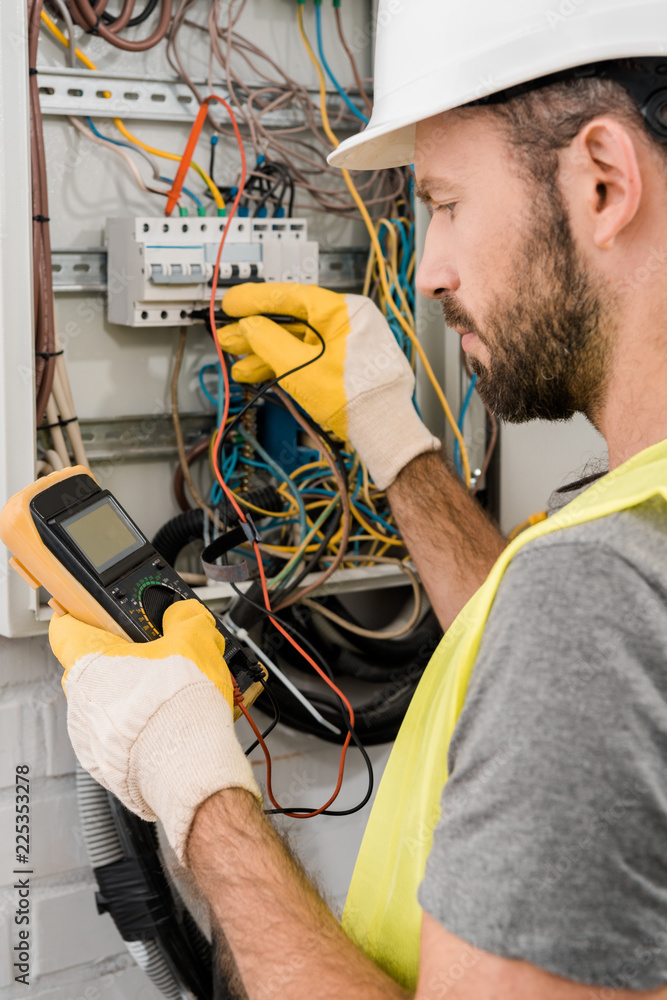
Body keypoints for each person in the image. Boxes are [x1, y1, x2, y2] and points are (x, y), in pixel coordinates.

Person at [49, 1, 667, 996]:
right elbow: (544, 678)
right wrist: (393, 438)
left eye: (447, 202)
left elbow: (570, 649)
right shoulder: (629, 546)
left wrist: (195, 785)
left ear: (602, 180)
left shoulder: (596, 585)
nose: (428, 271)